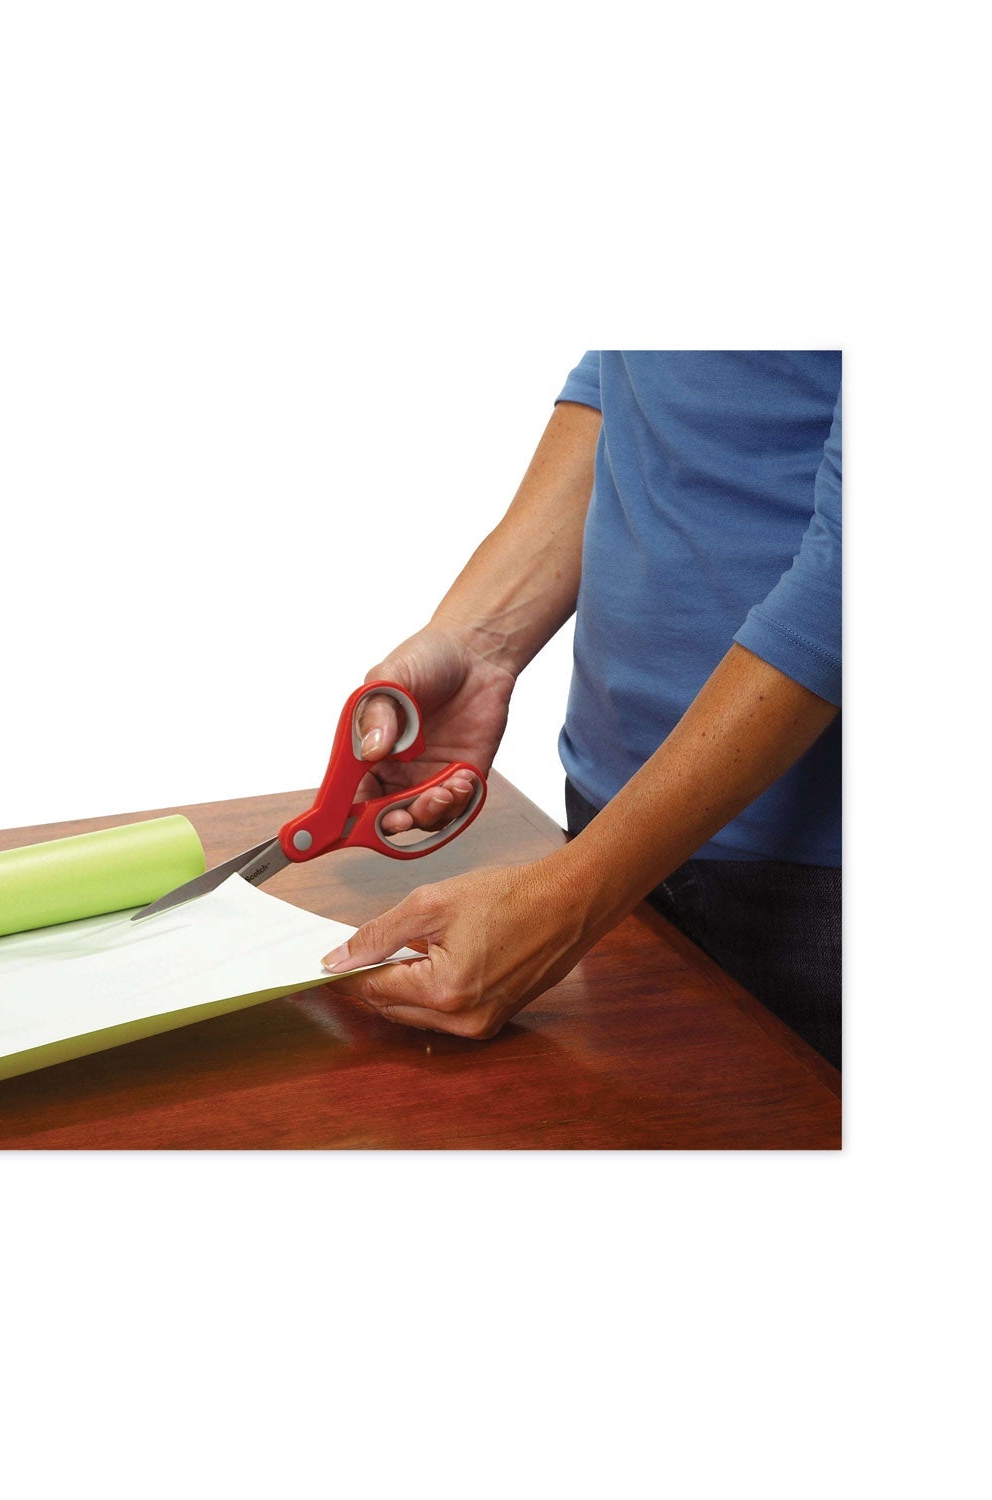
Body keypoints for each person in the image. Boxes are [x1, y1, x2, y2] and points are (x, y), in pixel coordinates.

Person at [319, 351, 843, 1068]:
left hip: (818, 890)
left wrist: (571, 895)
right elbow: (643, 379)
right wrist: (481, 644)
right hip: (605, 815)